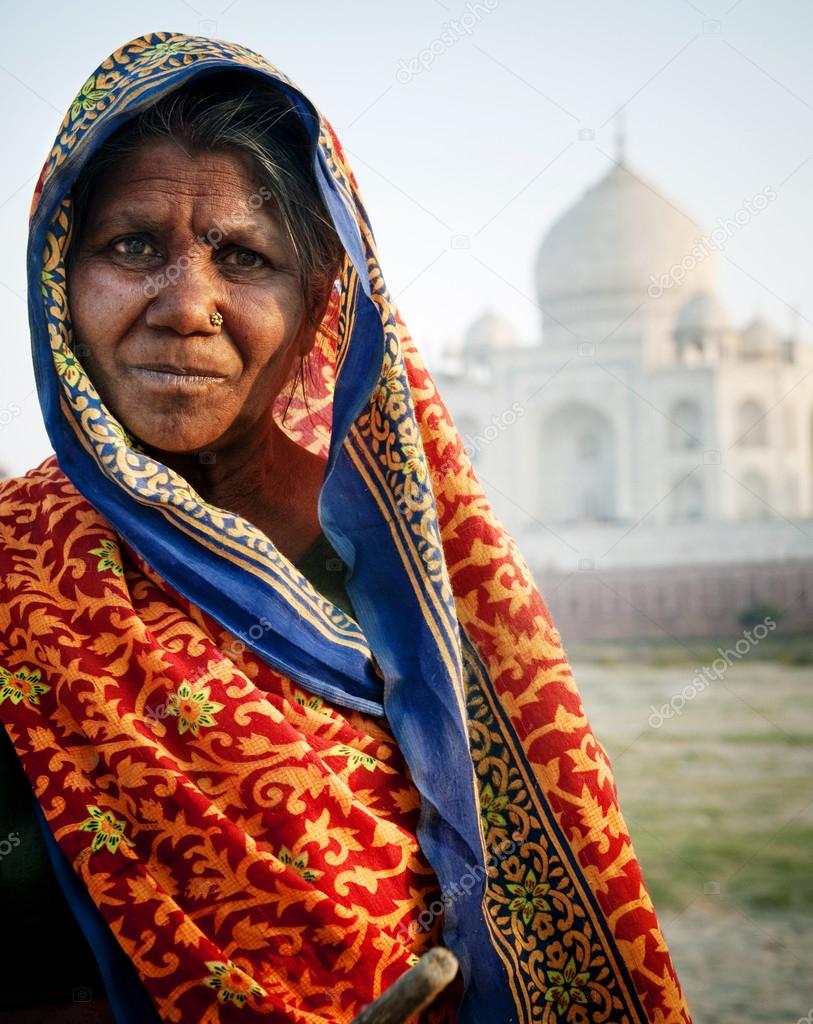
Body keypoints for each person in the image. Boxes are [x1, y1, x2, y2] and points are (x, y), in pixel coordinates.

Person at [0, 31, 692, 1024]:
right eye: (133, 246)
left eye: (243, 256)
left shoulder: (409, 593)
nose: (186, 304)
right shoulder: (18, 575)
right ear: (60, 276)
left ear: (320, 299)